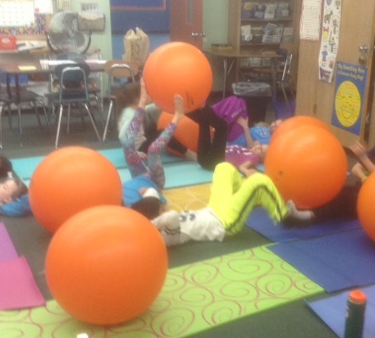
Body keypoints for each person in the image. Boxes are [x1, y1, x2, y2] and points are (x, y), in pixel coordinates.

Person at [139, 161, 310, 246]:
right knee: (259, 181)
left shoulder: (159, 221)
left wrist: (148, 193)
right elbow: (170, 217)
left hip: (214, 209)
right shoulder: (165, 236)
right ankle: (286, 217)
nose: (166, 208)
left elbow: (157, 205)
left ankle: (247, 197)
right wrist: (149, 225)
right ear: (156, 219)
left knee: (224, 167)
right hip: (224, 223)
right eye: (162, 209)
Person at [286, 116, 375, 225]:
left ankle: (308, 216)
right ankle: (303, 209)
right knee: (336, 191)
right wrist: (365, 179)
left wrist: (364, 159)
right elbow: (355, 168)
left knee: (342, 202)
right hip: (363, 188)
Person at [119, 80, 186, 192]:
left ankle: (142, 101)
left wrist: (144, 103)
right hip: (155, 183)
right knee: (153, 150)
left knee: (127, 142)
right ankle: (178, 116)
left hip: (138, 178)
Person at [188, 105, 268, 172]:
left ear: (262, 159)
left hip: (214, 163)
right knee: (204, 121)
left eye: (261, 151)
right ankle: (200, 106)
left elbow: (242, 167)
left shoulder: (254, 158)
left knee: (223, 126)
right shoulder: (247, 149)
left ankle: (205, 107)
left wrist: (247, 172)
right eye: (261, 146)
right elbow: (253, 144)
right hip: (203, 159)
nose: (258, 147)